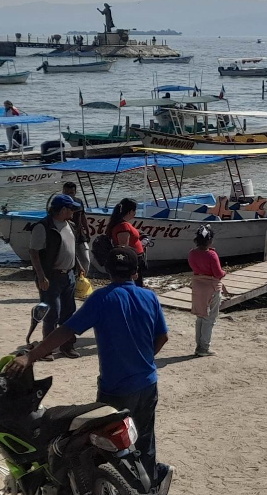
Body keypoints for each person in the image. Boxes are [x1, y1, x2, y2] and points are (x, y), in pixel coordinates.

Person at [4, 246, 175, 495]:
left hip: (116, 388)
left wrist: (30, 356)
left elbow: (66, 331)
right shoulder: (149, 297)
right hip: (148, 382)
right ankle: (149, 485)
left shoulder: (102, 298)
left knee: (103, 445)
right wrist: (145, 358)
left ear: (106, 270)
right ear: (136, 271)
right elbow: (163, 337)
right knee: (143, 440)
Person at [29, 194, 85, 359]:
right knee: (52, 313)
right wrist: (41, 276)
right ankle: (46, 349)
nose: (74, 211)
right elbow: (34, 253)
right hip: (51, 277)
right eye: (71, 208)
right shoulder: (43, 227)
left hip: (69, 276)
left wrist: (79, 265)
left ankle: (67, 346)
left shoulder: (71, 225)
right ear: (62, 210)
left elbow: (71, 248)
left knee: (68, 312)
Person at [188, 225, 227, 356]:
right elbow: (218, 274)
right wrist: (224, 272)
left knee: (200, 317)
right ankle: (204, 348)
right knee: (209, 319)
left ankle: (199, 346)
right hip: (212, 287)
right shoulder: (212, 254)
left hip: (197, 285)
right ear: (210, 241)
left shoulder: (192, 253)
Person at [106, 198, 147, 287]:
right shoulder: (123, 226)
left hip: (136, 259)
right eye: (134, 210)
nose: (135, 213)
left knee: (138, 285)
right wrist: (132, 270)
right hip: (131, 261)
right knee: (135, 286)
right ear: (130, 211)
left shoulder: (123, 224)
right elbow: (124, 250)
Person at [62, 182, 90, 276]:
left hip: (79, 234)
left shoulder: (79, 202)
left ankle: (82, 278)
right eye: (66, 192)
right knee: (71, 259)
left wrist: (87, 230)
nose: (69, 195)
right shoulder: (60, 204)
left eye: (71, 192)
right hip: (66, 234)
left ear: (75, 192)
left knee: (86, 259)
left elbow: (83, 217)